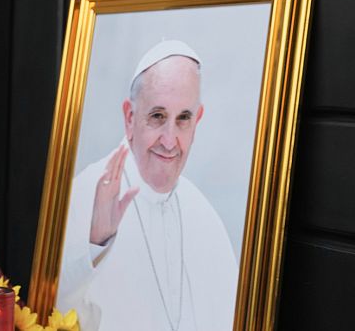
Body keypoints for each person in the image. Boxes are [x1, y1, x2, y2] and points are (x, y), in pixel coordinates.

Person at [56, 40, 238, 331]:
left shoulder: (204, 215)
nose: (169, 141)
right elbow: (47, 310)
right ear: (130, 117)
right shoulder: (84, 194)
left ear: (197, 120)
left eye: (183, 119)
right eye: (157, 116)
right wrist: (94, 242)